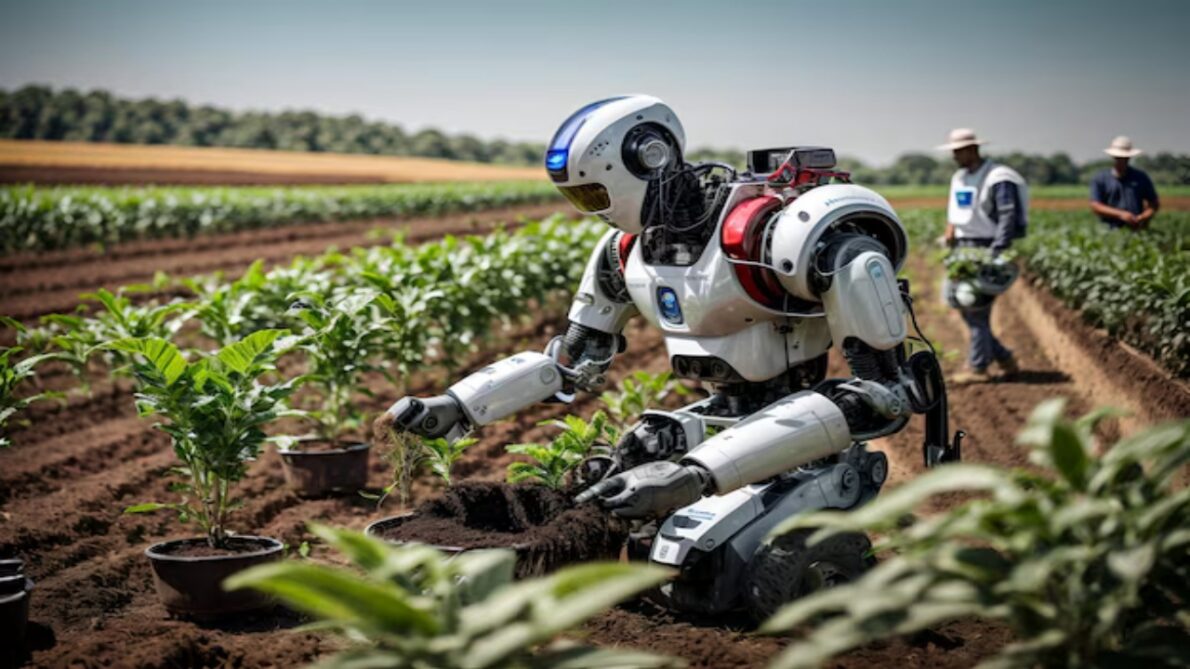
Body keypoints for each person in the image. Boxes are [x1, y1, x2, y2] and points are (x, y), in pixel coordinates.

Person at [938, 128, 1028, 384]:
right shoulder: (960, 177)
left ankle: (978, 367)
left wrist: (996, 253)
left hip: (985, 247)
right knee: (956, 299)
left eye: (958, 151)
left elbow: (1007, 218)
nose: (955, 156)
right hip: (961, 249)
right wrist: (950, 234)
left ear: (972, 149)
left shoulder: (998, 177)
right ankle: (1004, 357)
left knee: (976, 308)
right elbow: (955, 213)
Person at [1089, 136, 1160, 230]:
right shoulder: (1100, 178)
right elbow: (1096, 206)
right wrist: (1121, 214)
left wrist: (1143, 217)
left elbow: (1153, 204)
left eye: (1124, 158)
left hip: (1135, 229)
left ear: (1129, 157)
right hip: (1108, 230)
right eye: (1119, 157)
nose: (1122, 160)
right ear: (1113, 157)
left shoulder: (1141, 177)